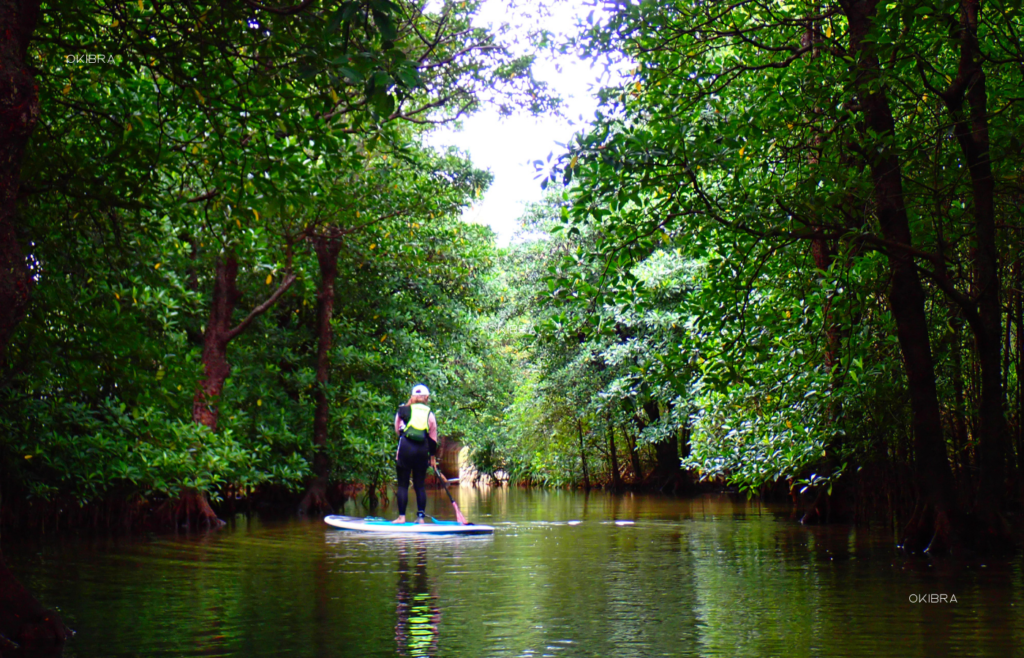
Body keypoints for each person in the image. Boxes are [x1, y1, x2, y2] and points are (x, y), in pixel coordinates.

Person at [393, 384, 437, 523]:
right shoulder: (430, 414)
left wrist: (409, 403)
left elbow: (397, 430)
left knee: (403, 484)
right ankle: (421, 518)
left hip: (406, 448)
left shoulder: (404, 411)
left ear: (412, 397)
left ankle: (401, 517)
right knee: (419, 485)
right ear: (427, 398)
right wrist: (433, 457)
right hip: (422, 450)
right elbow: (432, 438)